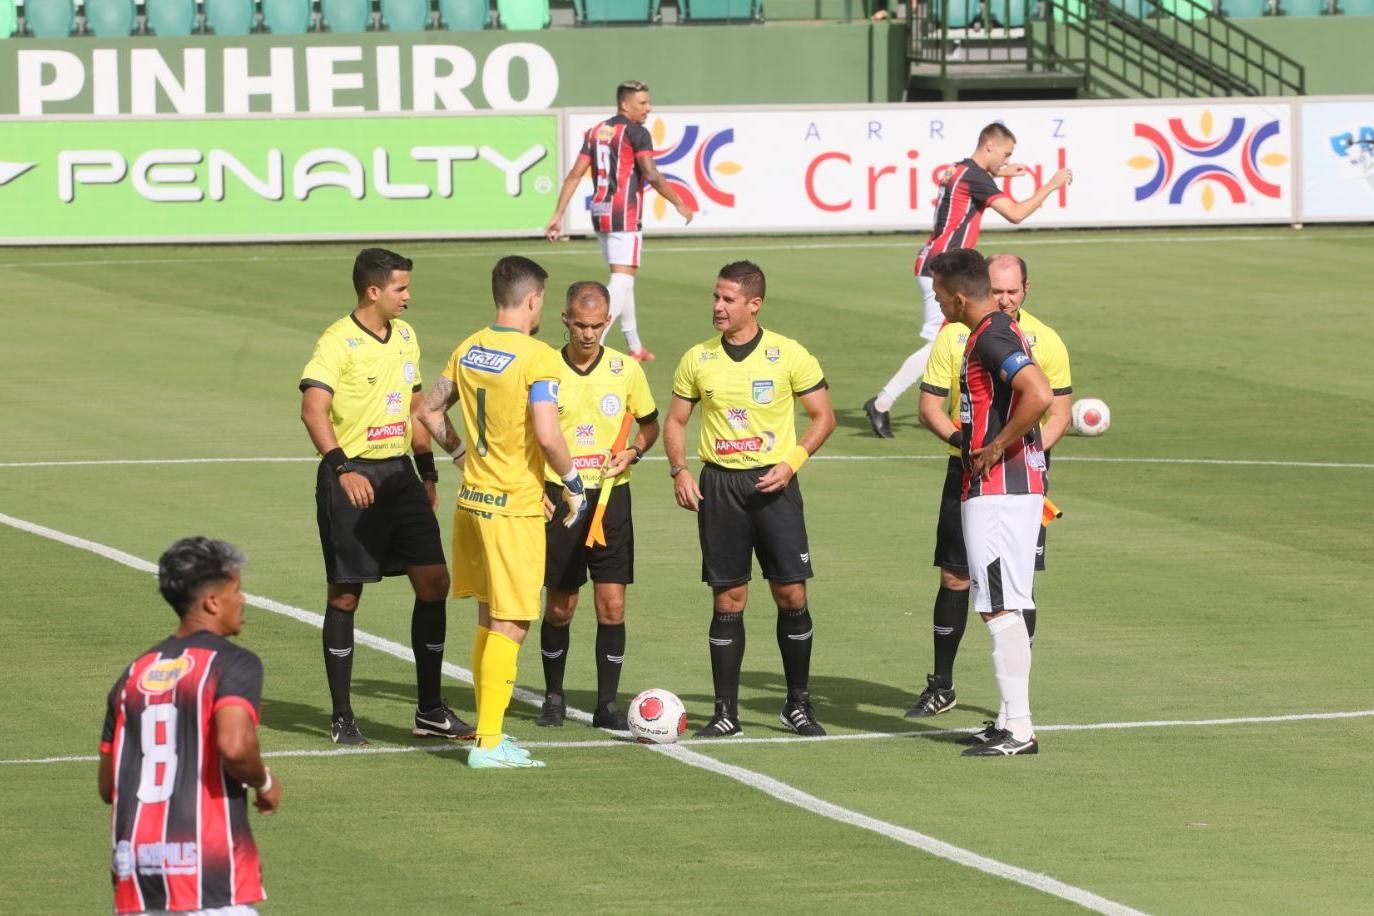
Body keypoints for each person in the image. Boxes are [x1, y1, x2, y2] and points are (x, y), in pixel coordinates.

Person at [418, 255, 589, 769]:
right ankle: (489, 742)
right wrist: (573, 483)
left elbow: (428, 410)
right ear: (534, 299)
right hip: (513, 508)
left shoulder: (470, 346)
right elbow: (547, 432)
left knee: (489, 618)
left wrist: (459, 455)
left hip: (473, 501)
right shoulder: (538, 357)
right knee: (512, 622)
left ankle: (486, 735)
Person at [299, 247, 470, 746]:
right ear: (373, 291)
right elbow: (314, 410)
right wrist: (342, 469)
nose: (408, 297)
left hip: (401, 478)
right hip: (351, 478)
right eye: (401, 288)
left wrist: (429, 470)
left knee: (435, 582)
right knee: (346, 594)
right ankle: (341, 716)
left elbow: (417, 407)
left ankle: (431, 711)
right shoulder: (338, 342)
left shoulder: (407, 337)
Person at [663, 260, 836, 738]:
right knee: (729, 598)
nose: (718, 307)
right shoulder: (697, 359)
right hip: (720, 488)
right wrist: (680, 470)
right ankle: (725, 713)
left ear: (753, 304)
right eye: (716, 297)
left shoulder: (789, 354)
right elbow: (675, 421)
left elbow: (823, 416)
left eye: (728, 300)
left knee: (791, 593)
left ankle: (797, 705)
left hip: (775, 486)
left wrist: (792, 461)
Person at [907, 253, 1072, 734]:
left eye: (938, 295)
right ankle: (1008, 720)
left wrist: (996, 447)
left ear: (959, 297)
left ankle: (1017, 727)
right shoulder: (991, 332)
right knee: (1007, 602)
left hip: (1000, 487)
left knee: (1000, 605)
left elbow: (1041, 396)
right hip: (1006, 484)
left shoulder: (992, 335)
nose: (936, 303)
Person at [99, 536, 282, 914]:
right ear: (212, 602)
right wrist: (263, 782)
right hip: (205, 869)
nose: (243, 599)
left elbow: (108, 786)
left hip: (136, 870)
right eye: (237, 590)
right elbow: (234, 745)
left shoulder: (132, 674)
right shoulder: (232, 663)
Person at [864, 122, 1072, 438]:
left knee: (943, 340)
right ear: (989, 145)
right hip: (946, 270)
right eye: (1005, 153)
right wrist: (1052, 185)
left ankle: (884, 402)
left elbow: (966, 180)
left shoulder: (958, 169)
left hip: (937, 262)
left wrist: (999, 174)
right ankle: (881, 403)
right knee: (939, 343)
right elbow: (1015, 214)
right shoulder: (974, 176)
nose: (1006, 160)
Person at [535, 282, 661, 731]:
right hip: (561, 499)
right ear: (566, 319)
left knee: (612, 607)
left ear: (607, 322)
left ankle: (606, 705)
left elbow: (649, 425)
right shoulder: (544, 369)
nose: (588, 334)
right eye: (580, 325)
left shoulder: (626, 370)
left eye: (597, 326)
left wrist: (635, 452)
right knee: (561, 606)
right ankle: (553, 695)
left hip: (612, 500)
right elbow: (527, 436)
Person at [544, 79, 695, 362]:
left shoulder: (597, 132)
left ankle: (635, 346)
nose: (648, 108)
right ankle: (594, 337)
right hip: (624, 214)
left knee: (625, 281)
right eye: (642, 103)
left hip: (600, 211)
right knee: (621, 281)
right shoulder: (637, 132)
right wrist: (679, 202)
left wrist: (558, 214)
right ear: (625, 104)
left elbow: (576, 173)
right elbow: (650, 174)